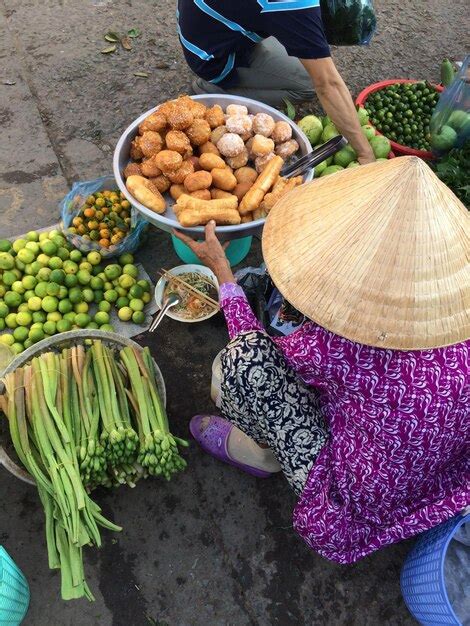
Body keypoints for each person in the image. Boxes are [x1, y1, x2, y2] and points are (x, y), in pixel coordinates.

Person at [174, 156, 470, 564]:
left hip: (358, 498)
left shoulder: (336, 345)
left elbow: (257, 349)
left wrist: (224, 275)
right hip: (440, 477)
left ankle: (259, 455)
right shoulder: (459, 316)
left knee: (241, 366)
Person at [176, 0, 375, 164]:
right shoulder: (292, 4)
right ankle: (211, 88)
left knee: (301, 41)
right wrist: (365, 153)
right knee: (307, 84)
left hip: (207, 21)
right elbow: (327, 84)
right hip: (209, 55)